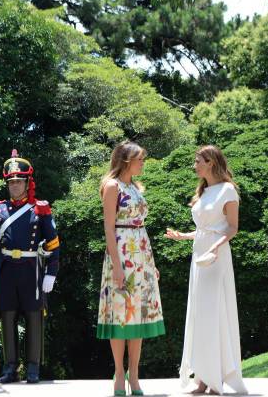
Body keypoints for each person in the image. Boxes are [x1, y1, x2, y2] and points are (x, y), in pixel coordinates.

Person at [165, 145, 248, 395]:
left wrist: (215, 248)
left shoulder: (228, 190)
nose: (195, 165)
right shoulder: (204, 192)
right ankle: (202, 378)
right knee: (200, 315)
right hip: (199, 257)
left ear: (211, 162)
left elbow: (231, 228)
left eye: (198, 160)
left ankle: (216, 380)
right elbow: (204, 229)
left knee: (215, 314)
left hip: (216, 258)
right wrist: (183, 236)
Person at [0, 149, 60, 383]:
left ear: (27, 182)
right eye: (11, 181)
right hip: (7, 270)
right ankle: (10, 368)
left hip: (32, 268)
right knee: (7, 317)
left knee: (34, 318)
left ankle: (33, 368)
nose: (14, 185)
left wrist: (51, 272)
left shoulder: (40, 209)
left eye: (18, 181)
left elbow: (53, 243)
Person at [97, 141, 165, 397]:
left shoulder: (135, 187)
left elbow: (142, 227)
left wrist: (152, 264)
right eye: (140, 159)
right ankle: (118, 373)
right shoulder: (112, 186)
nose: (143, 163)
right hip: (122, 253)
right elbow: (109, 228)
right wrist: (116, 265)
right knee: (119, 315)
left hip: (141, 254)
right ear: (126, 161)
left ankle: (134, 374)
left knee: (137, 316)